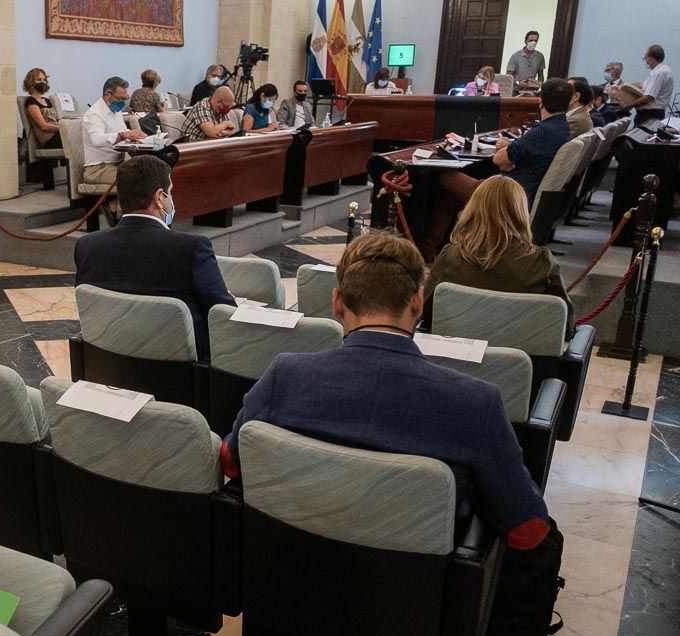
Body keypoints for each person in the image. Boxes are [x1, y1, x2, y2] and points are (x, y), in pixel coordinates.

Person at [222, 231, 549, 550]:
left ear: (337, 302)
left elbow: (231, 463)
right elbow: (528, 530)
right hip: (421, 594)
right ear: (418, 302)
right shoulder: (478, 403)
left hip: (286, 579)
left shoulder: (285, 375)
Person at [73, 156, 235, 360]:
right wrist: (228, 299)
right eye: (171, 192)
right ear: (160, 197)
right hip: (184, 373)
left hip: (106, 363)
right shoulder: (191, 248)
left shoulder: (87, 246)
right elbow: (225, 314)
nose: (172, 199)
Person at [430, 78, 573, 256]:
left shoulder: (543, 131)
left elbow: (499, 159)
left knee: (444, 176)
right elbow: (510, 158)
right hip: (519, 188)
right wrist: (510, 154)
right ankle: (438, 248)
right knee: (449, 197)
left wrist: (507, 153)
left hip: (505, 193)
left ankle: (436, 249)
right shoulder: (562, 128)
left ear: (540, 101)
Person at [422, 176, 573, 331]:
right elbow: (565, 323)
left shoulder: (450, 257)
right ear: (521, 213)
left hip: (456, 352)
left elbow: (421, 311)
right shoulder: (541, 262)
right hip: (522, 353)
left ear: (472, 209)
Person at [80, 76, 146, 186]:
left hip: (118, 164)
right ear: (107, 95)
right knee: (136, 179)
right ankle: (113, 204)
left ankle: (116, 203)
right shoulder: (94, 114)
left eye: (125, 98)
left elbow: (123, 133)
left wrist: (135, 137)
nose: (123, 103)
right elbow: (97, 140)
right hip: (98, 169)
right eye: (120, 99)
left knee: (149, 171)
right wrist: (124, 135)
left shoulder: (116, 111)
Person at [624, 45, 673, 125]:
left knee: (639, 136)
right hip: (651, 114)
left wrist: (629, 105)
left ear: (651, 59)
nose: (645, 61)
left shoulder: (659, 73)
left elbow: (648, 97)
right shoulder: (663, 70)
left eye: (645, 58)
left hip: (650, 115)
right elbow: (644, 86)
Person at [22, 68, 61, 149]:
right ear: (31, 82)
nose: (43, 82)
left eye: (44, 80)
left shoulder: (47, 100)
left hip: (58, 134)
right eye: (39, 80)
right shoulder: (31, 101)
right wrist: (63, 128)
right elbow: (44, 126)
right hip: (49, 140)